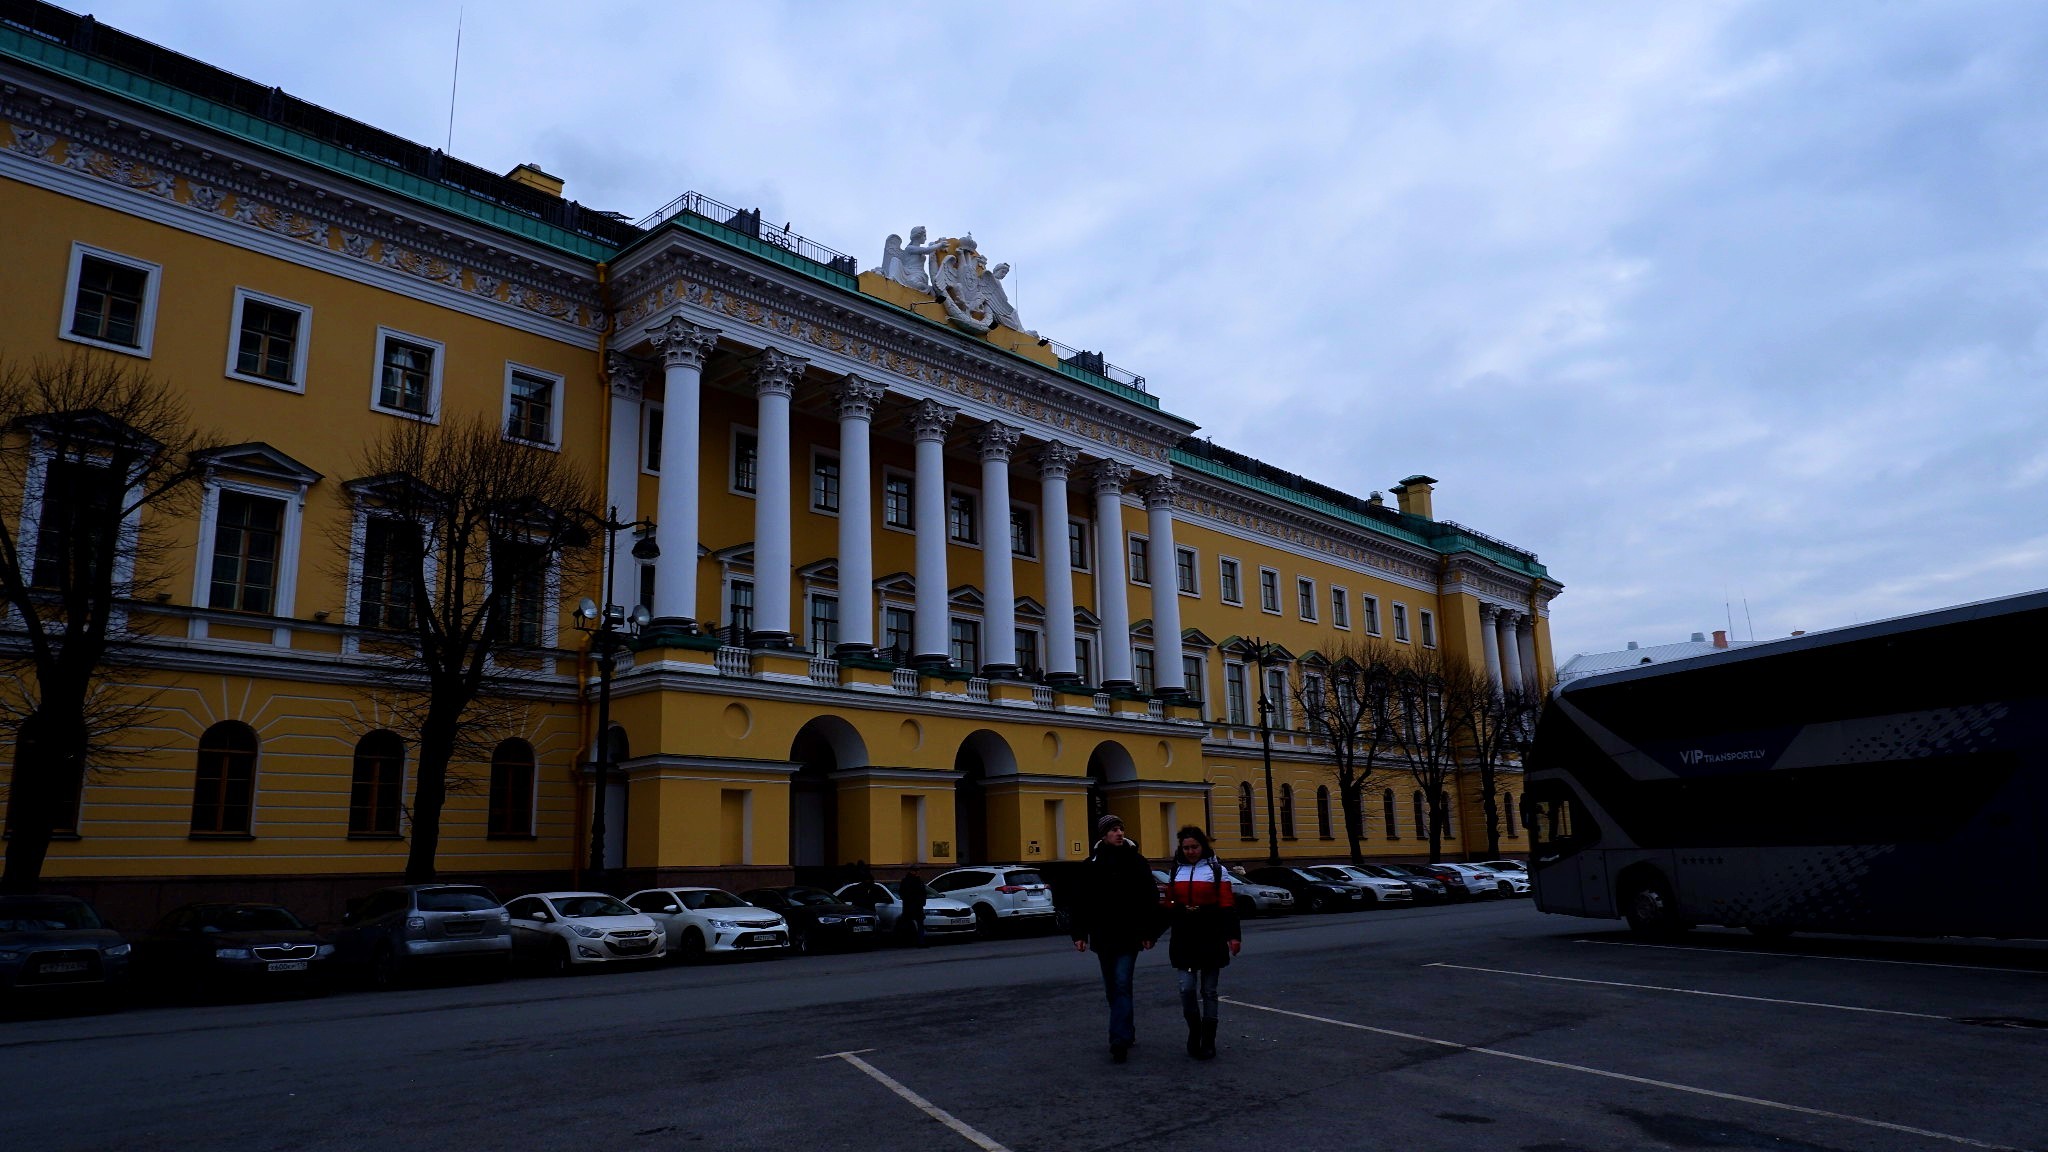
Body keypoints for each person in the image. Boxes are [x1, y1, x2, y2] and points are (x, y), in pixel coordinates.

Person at [1069, 813, 1160, 1063]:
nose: (1119, 833)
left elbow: (1150, 899)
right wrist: (1079, 933)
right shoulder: (1092, 864)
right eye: (1113, 830)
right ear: (1103, 835)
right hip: (1103, 935)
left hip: (1130, 935)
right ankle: (1127, 1030)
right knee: (1114, 988)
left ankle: (1118, 1039)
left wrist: (1149, 932)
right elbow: (1081, 901)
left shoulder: (1137, 862)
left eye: (1121, 828)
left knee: (1121, 983)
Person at [1163, 825, 1241, 1059]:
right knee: (1186, 988)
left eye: (1194, 847)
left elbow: (1227, 906)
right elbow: (1168, 905)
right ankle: (1194, 1031)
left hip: (1211, 936)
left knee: (1209, 990)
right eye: (1186, 847)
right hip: (1185, 937)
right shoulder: (1176, 870)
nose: (1190, 851)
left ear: (1202, 846)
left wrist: (1233, 936)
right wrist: (1151, 933)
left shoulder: (1217, 870)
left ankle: (1208, 1039)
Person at [899, 870, 929, 947]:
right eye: (915, 871)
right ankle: (909, 941)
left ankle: (920, 942)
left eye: (917, 871)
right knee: (908, 924)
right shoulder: (907, 881)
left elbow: (923, 892)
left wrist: (922, 901)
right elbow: (902, 893)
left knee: (919, 924)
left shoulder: (919, 881)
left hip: (916, 906)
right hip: (910, 906)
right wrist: (909, 900)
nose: (917, 872)